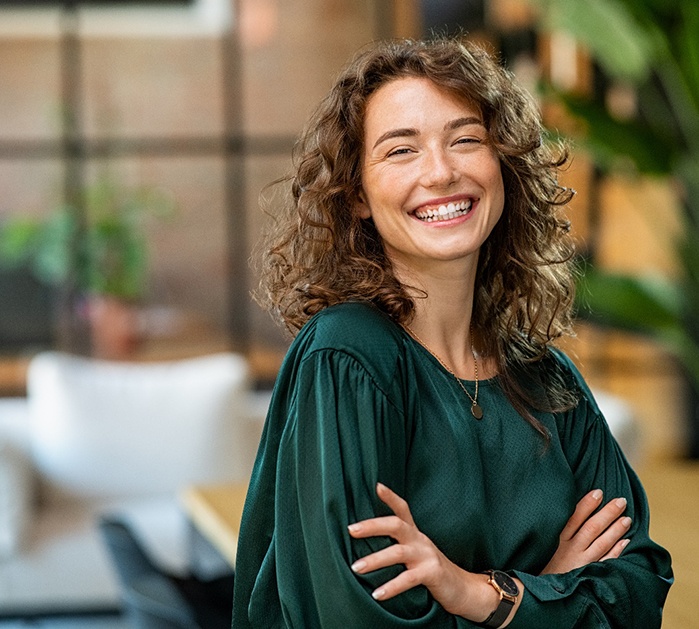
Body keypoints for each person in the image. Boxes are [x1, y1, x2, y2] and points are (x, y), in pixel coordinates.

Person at [231, 37, 673, 628]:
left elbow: (638, 593)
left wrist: (479, 593)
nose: (441, 172)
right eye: (400, 151)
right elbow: (356, 619)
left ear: (503, 166)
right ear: (357, 194)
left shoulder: (547, 379)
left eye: (465, 139)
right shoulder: (348, 357)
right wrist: (548, 592)